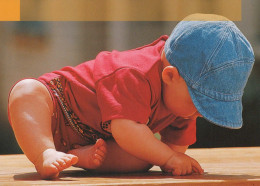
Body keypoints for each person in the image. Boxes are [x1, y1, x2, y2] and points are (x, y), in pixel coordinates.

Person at [8, 13, 255, 179]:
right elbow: (126, 129)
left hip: (96, 141)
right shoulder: (135, 73)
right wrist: (168, 157)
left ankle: (76, 157)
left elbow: (173, 148)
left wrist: (173, 160)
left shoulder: (182, 102)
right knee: (26, 92)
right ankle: (44, 153)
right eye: (199, 101)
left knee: (142, 158)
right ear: (170, 76)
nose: (200, 112)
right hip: (58, 108)